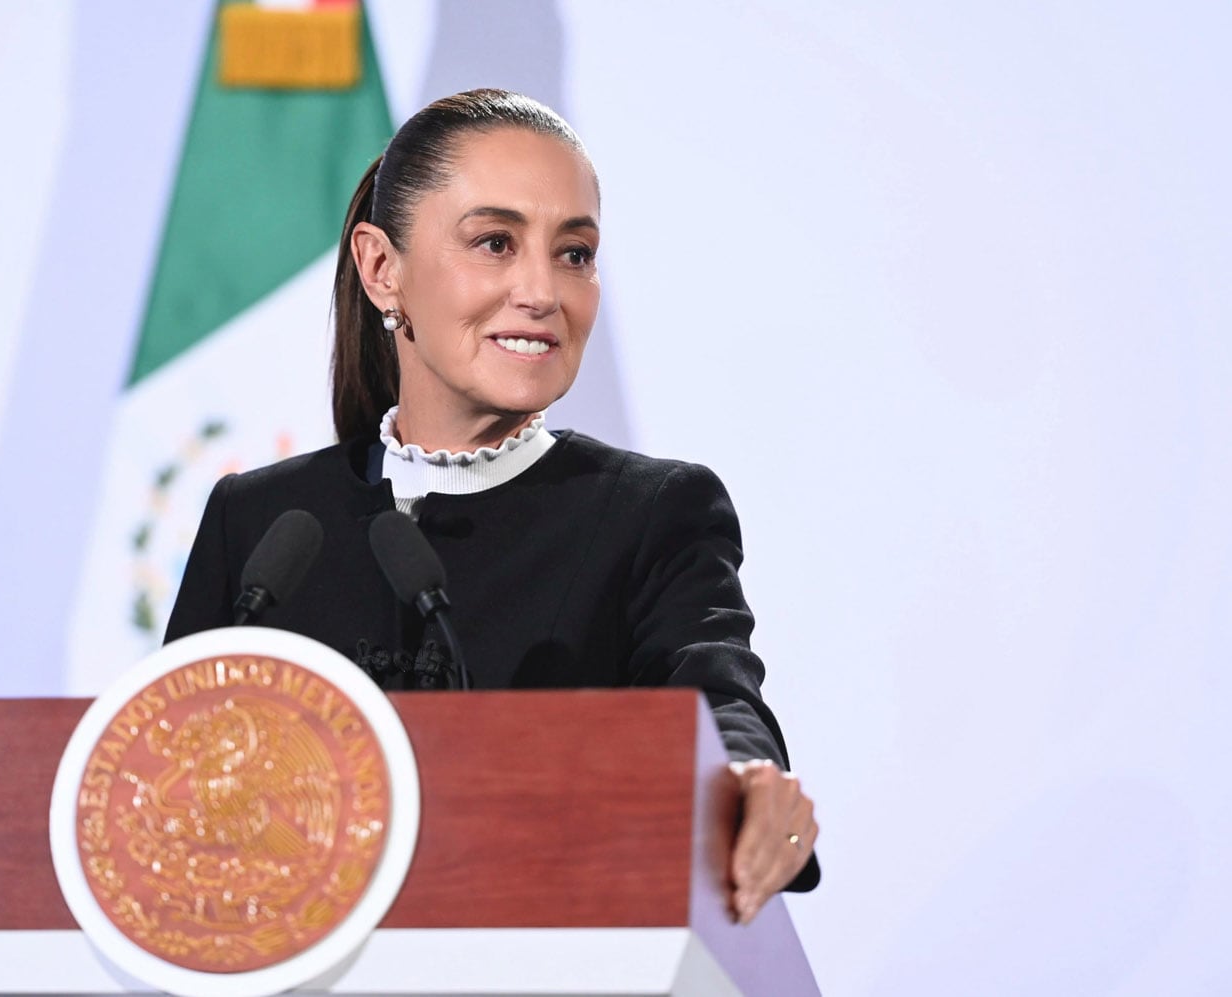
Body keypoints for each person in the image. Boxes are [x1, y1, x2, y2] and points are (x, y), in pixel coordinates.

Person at [165, 88, 818, 921]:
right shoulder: (260, 524)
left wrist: (746, 782)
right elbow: (163, 780)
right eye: (496, 243)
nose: (542, 290)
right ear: (381, 268)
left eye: (574, 253)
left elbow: (717, 699)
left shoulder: (654, 511)